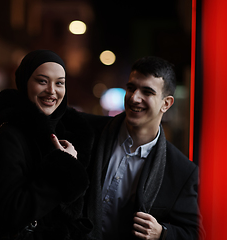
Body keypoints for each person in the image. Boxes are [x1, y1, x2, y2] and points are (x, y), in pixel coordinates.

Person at [83, 56, 203, 240]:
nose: (134, 97)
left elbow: (194, 234)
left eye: (147, 92)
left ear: (166, 103)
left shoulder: (182, 171)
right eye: (131, 88)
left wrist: (161, 233)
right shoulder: (90, 133)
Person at [0, 49, 95, 239]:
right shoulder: (10, 136)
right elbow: (11, 212)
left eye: (60, 83)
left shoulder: (66, 129)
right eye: (42, 81)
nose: (52, 91)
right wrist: (64, 167)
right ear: (25, 83)